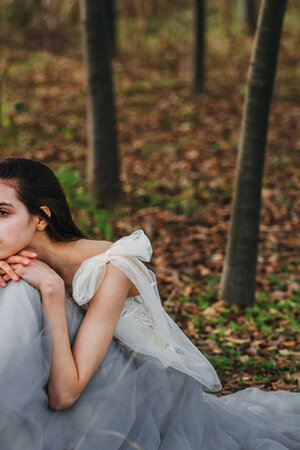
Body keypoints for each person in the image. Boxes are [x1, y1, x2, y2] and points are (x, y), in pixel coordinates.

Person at [0, 157, 299, 450]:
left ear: (41, 218)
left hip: (127, 393)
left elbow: (64, 395)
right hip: (64, 380)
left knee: (20, 291)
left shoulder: (111, 267)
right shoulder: (14, 260)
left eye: (3, 213)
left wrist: (51, 289)